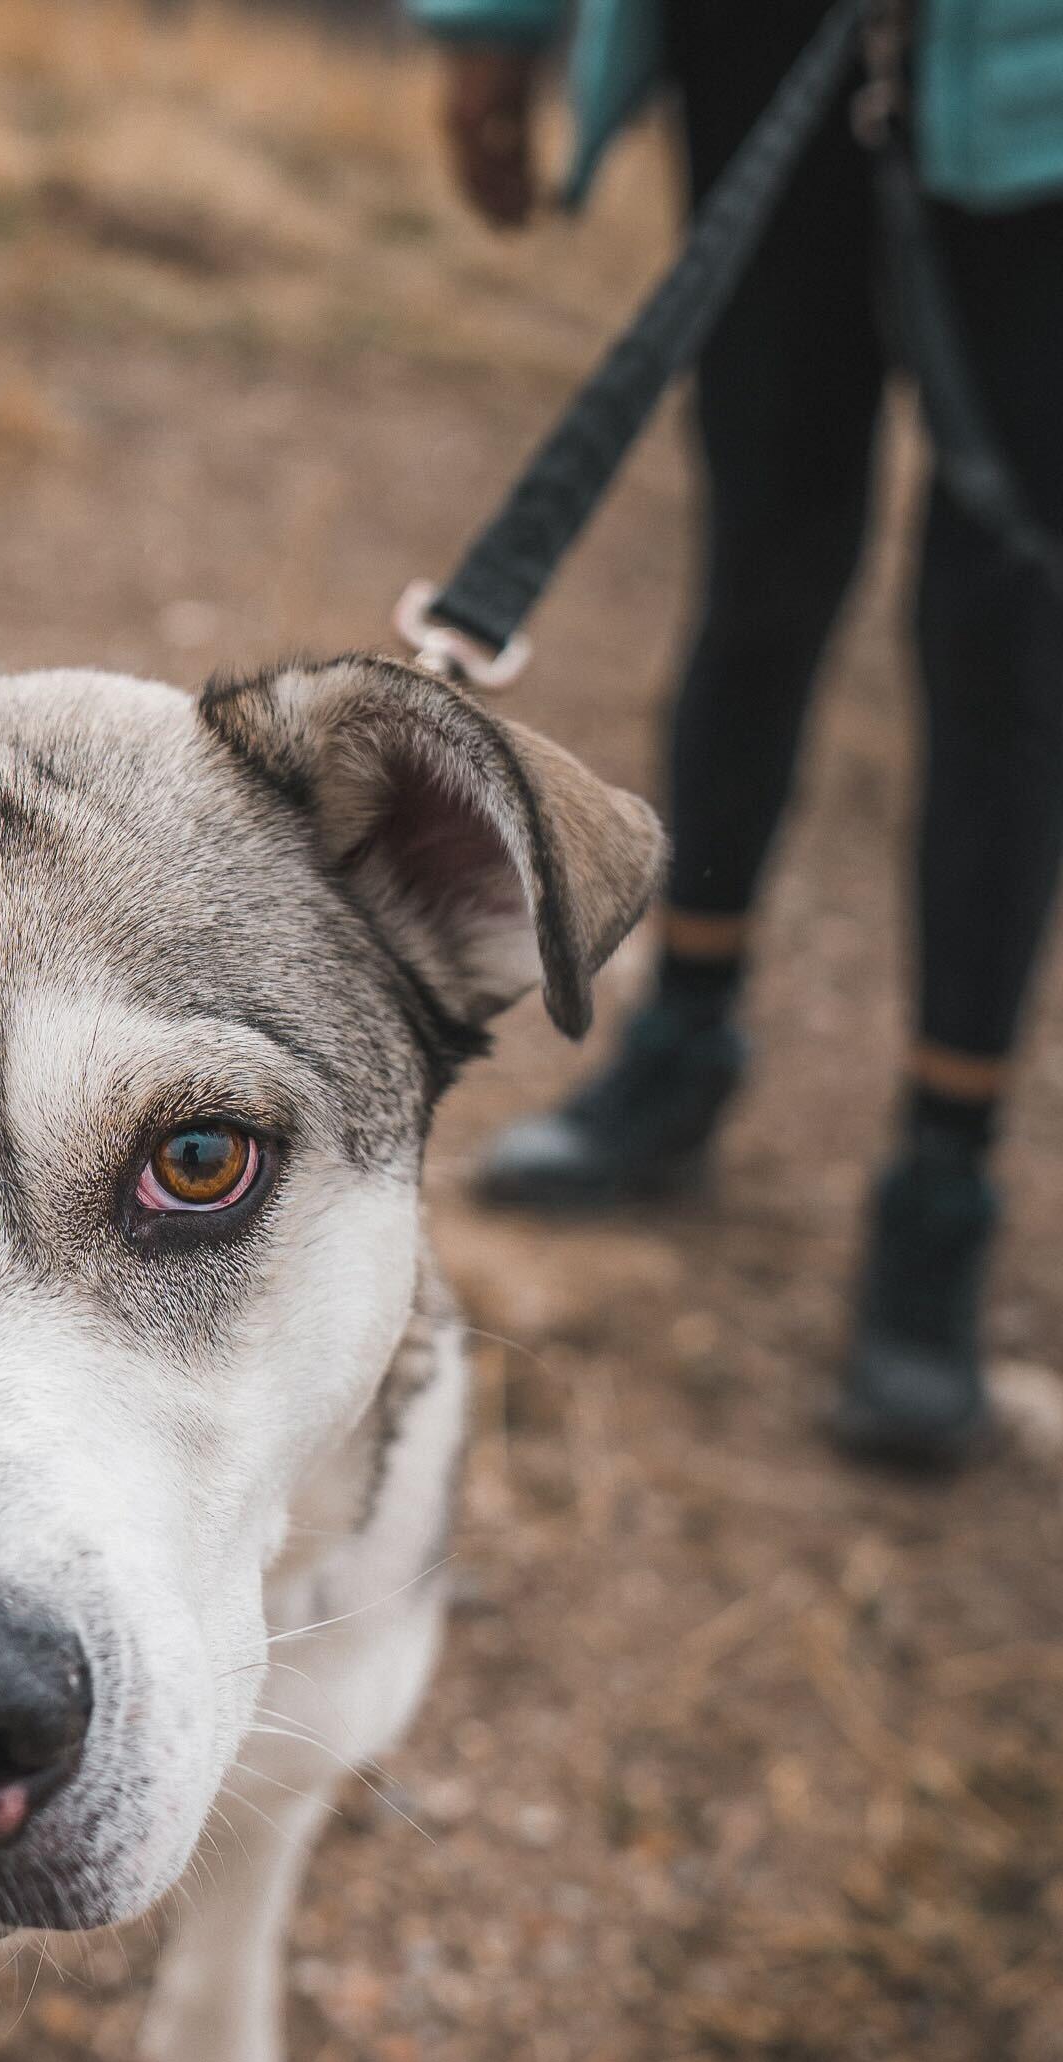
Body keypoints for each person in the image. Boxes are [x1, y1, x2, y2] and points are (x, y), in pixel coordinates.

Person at [410, 0, 1063, 1467]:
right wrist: (490, 23)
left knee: (1011, 635)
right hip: (770, 36)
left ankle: (942, 1188)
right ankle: (683, 1048)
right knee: (760, 570)